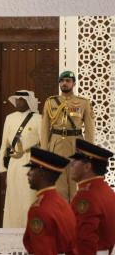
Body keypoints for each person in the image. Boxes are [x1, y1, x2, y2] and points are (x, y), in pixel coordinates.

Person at [40, 71, 95, 201]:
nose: (64, 83)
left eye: (68, 81)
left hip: (76, 145)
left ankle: (76, 218)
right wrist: (44, 151)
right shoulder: (50, 102)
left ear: (74, 83)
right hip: (56, 144)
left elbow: (89, 129)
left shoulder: (84, 103)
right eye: (62, 81)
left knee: (76, 184)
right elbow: (44, 129)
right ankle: (62, 217)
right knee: (58, 185)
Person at [0, 90, 42, 228]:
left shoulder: (38, 118)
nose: (18, 102)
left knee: (29, 197)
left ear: (28, 101)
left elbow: (43, 145)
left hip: (31, 162)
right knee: (13, 198)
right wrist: (2, 168)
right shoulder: (10, 118)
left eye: (21, 99)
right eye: (16, 99)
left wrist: (41, 167)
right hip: (13, 163)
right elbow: (4, 145)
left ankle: (30, 229)